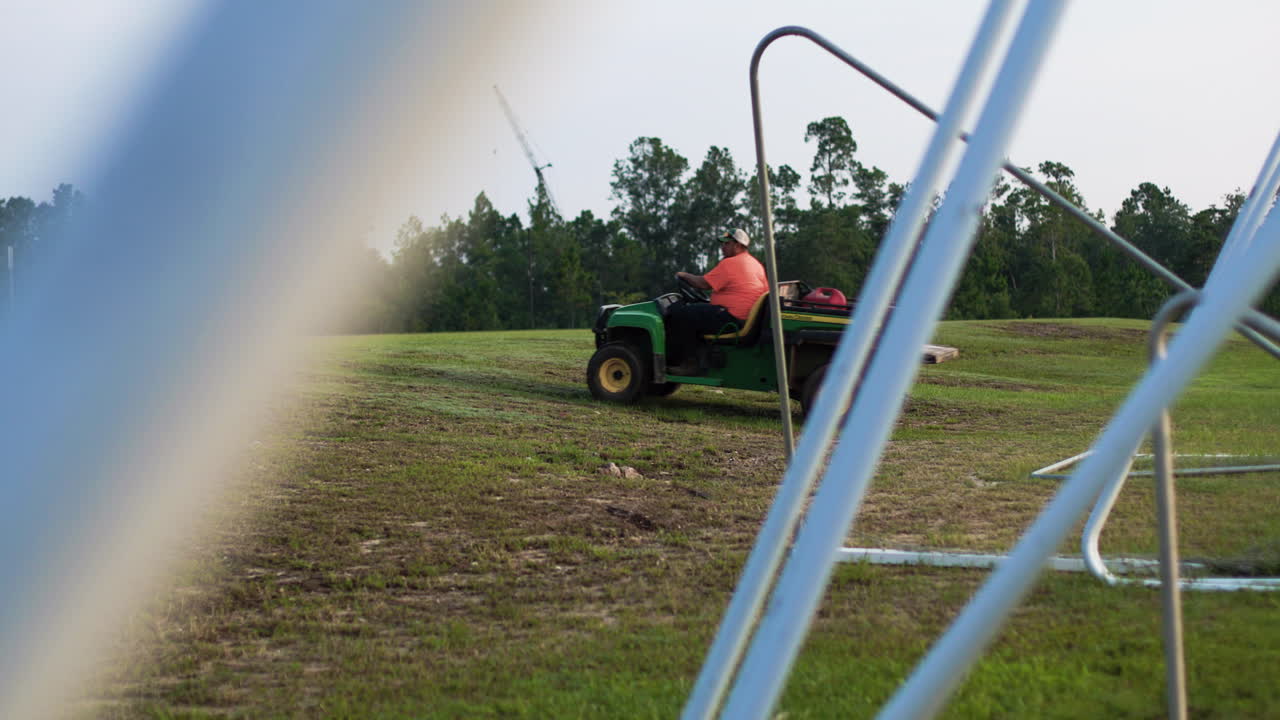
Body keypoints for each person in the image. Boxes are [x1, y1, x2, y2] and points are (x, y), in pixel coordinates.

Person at [667, 228, 768, 374]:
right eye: (722, 243)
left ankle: (690, 364)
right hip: (743, 318)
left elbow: (703, 283)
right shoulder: (755, 264)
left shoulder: (731, 263)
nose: (722, 247)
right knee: (696, 311)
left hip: (731, 320)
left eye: (726, 243)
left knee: (682, 314)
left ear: (737, 245)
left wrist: (683, 275)